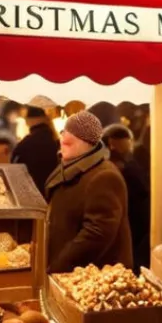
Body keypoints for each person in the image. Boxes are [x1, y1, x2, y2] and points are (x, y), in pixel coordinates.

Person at [45, 112, 133, 273]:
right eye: (63, 137)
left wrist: (59, 265)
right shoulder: (70, 166)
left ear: (88, 143)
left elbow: (97, 234)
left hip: (93, 278)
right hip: (66, 270)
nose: (63, 141)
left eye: (69, 143)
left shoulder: (104, 176)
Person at [103, 124, 151, 272]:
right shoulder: (122, 166)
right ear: (113, 143)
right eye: (126, 140)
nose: (129, 143)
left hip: (131, 218)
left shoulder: (125, 162)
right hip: (131, 218)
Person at [12, 107, 60, 197]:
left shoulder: (24, 145)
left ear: (27, 122)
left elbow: (15, 171)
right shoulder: (57, 143)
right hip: (55, 195)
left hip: (32, 196)